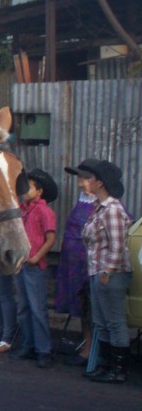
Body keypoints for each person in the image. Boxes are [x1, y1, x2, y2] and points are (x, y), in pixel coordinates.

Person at [77, 159, 132, 384]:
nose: (86, 182)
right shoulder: (99, 208)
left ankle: (118, 369)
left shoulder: (112, 210)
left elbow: (117, 245)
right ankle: (107, 365)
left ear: (100, 183)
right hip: (98, 271)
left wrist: (107, 271)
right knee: (101, 321)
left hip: (111, 273)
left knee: (114, 321)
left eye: (90, 178)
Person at [11, 169, 58, 368]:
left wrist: (37, 256)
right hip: (20, 263)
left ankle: (43, 349)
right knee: (23, 307)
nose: (24, 190)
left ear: (39, 191)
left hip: (34, 265)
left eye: (29, 186)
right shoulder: (22, 209)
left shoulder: (44, 211)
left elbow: (51, 238)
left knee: (38, 308)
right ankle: (28, 344)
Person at [56, 160, 100, 366]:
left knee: (92, 308)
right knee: (82, 307)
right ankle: (87, 345)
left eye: (84, 178)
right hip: (72, 263)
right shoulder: (83, 200)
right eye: (80, 178)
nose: (80, 182)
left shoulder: (104, 204)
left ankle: (93, 349)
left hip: (89, 264)